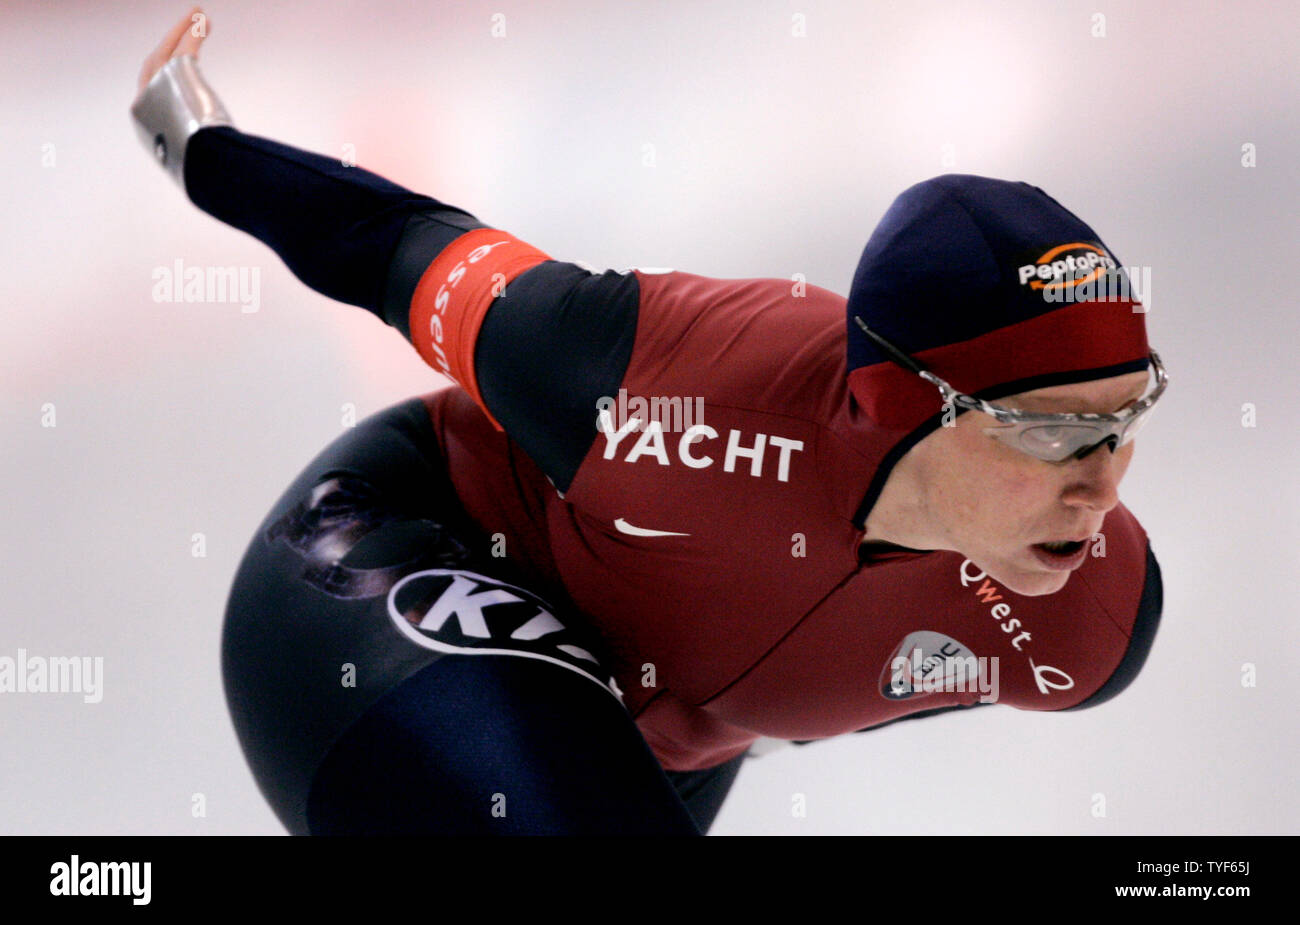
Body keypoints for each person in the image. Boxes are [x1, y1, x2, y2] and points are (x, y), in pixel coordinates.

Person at [131, 9, 1167, 835]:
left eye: (1123, 417)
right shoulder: (655, 380)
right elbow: (390, 242)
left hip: (646, 740)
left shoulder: (1092, 622)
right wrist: (200, 144)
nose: (1103, 481)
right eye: (1048, 431)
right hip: (408, 549)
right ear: (902, 400)